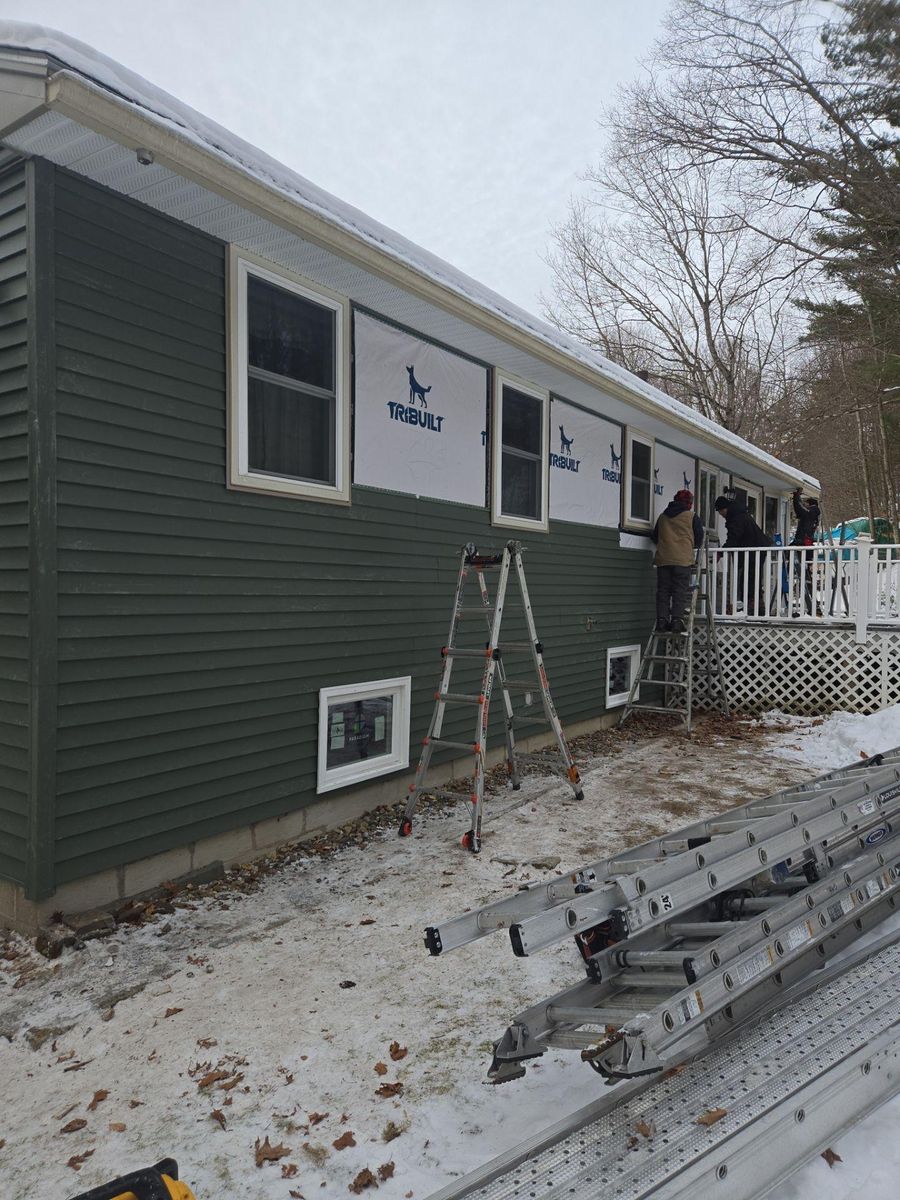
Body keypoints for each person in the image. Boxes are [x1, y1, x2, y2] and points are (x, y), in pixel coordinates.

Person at [651, 488, 704, 634]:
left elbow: (655, 537)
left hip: (663, 559)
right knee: (679, 591)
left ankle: (662, 621)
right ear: (689, 503)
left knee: (663, 591)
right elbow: (699, 539)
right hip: (682, 560)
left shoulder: (662, 517)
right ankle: (676, 621)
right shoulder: (692, 516)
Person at [714, 495, 772, 615]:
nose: (721, 514)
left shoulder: (736, 518)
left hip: (753, 551)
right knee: (753, 578)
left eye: (720, 511)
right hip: (757, 549)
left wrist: (721, 552)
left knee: (749, 580)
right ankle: (757, 607)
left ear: (725, 508)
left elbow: (734, 538)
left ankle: (753, 607)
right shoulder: (740, 514)